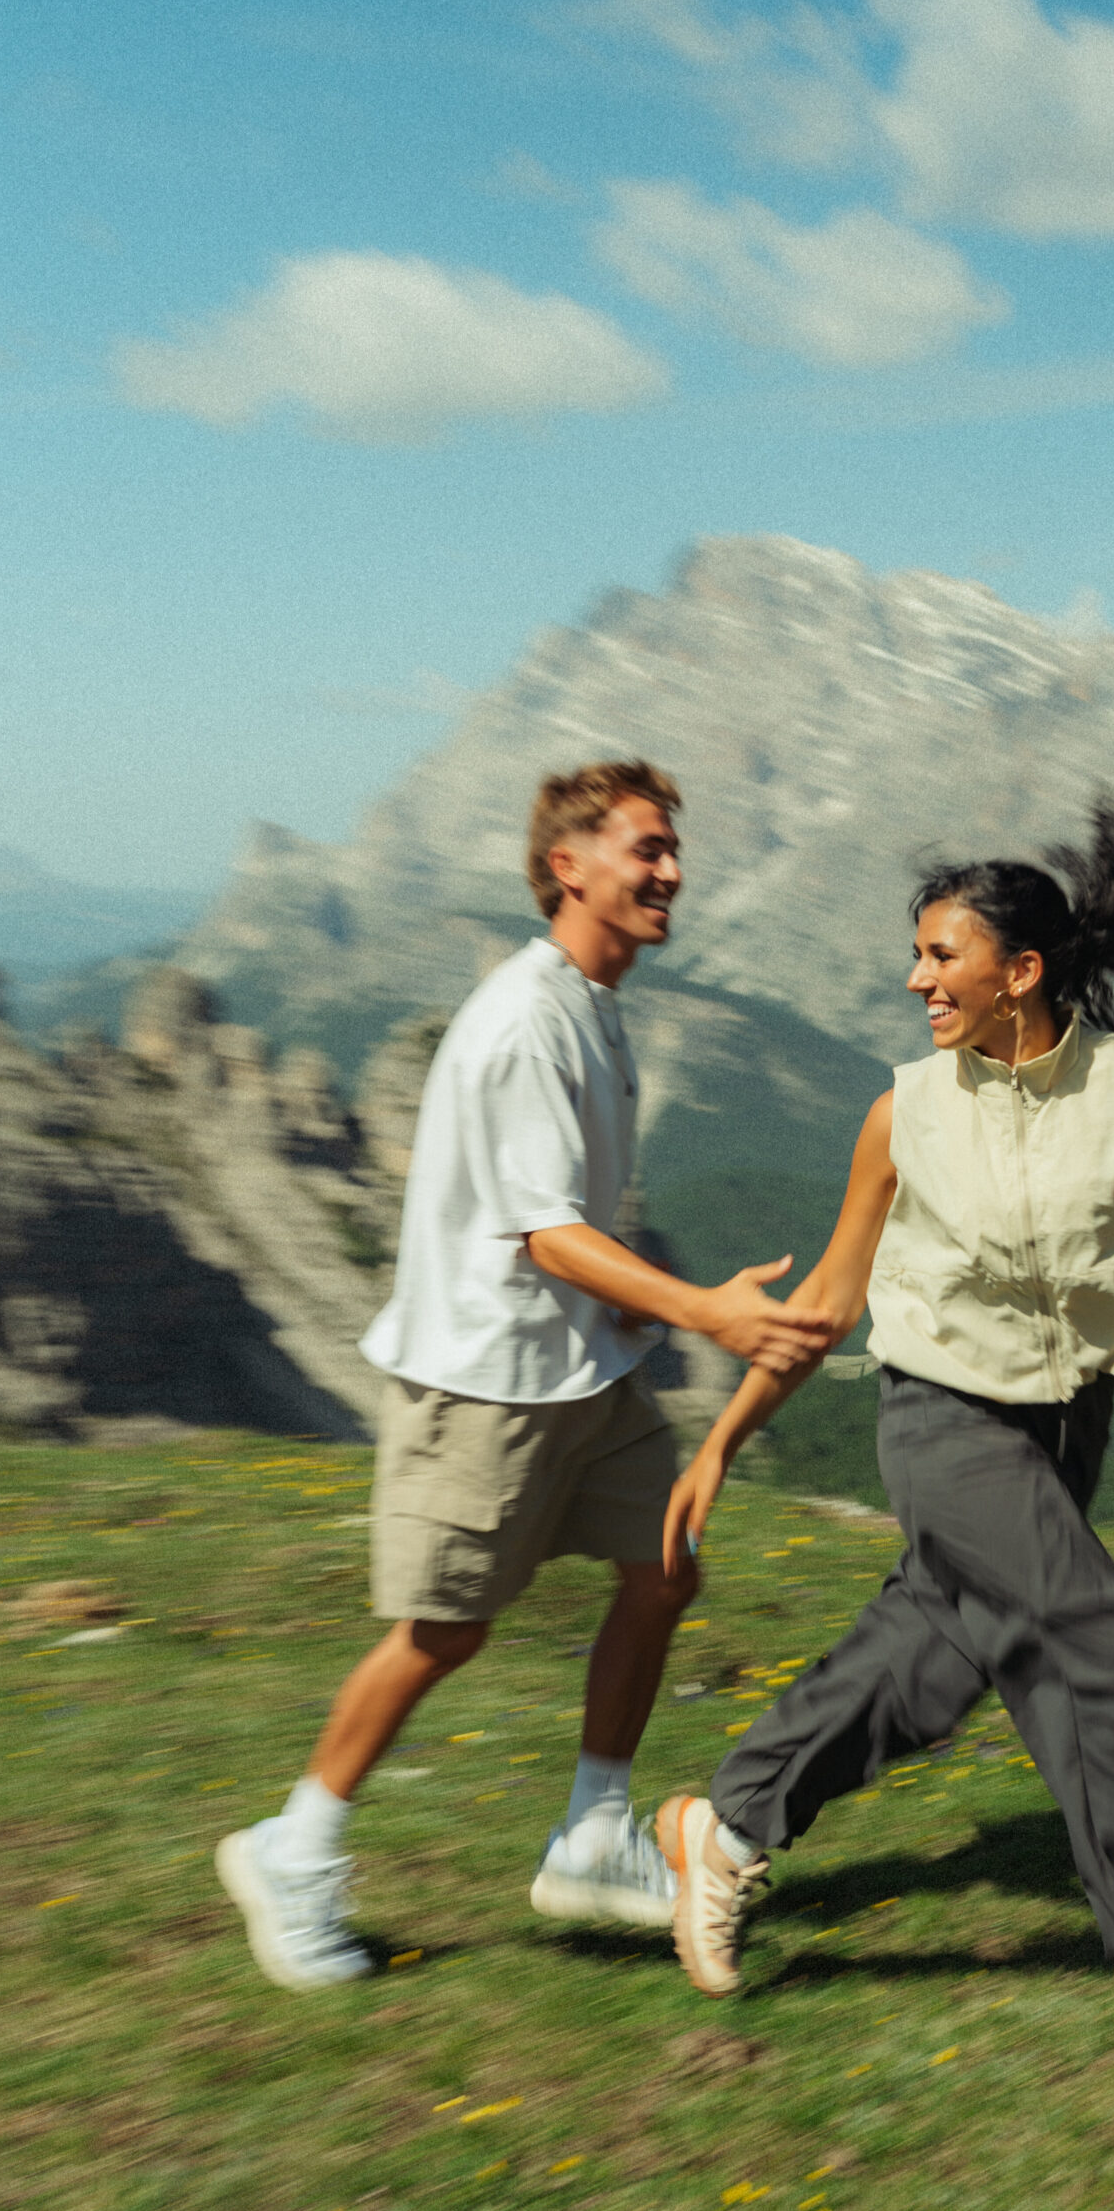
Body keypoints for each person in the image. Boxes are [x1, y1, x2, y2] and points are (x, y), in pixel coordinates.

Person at [653, 801, 1114, 2089]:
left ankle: (722, 1828)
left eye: (939, 957)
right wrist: (721, 1439)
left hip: (1070, 1419)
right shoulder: (902, 1112)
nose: (914, 979)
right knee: (1107, 1657)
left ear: (1021, 972)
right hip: (939, 1418)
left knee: (936, 1656)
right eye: (917, 956)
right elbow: (832, 1298)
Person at [218, 759, 831, 1991]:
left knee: (662, 1569)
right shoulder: (522, 1019)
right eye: (644, 848)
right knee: (444, 1628)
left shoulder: (592, 1001)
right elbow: (545, 1231)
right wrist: (707, 1312)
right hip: (485, 1378)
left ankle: (593, 1837)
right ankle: (293, 1847)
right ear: (568, 866)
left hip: (581, 1367)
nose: (669, 871)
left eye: (671, 850)